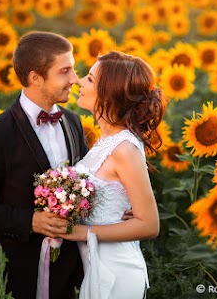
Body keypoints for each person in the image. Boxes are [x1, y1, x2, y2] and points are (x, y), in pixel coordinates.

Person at [0, 31, 88, 299]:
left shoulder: (73, 123)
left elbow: (89, 182)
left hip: (69, 274)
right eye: (65, 71)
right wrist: (30, 221)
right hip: (15, 274)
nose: (75, 79)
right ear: (34, 77)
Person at [61, 51, 167, 299]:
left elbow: (150, 225)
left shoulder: (124, 148)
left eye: (89, 79)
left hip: (117, 271)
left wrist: (82, 233)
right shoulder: (106, 140)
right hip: (97, 265)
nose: (79, 82)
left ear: (109, 92)